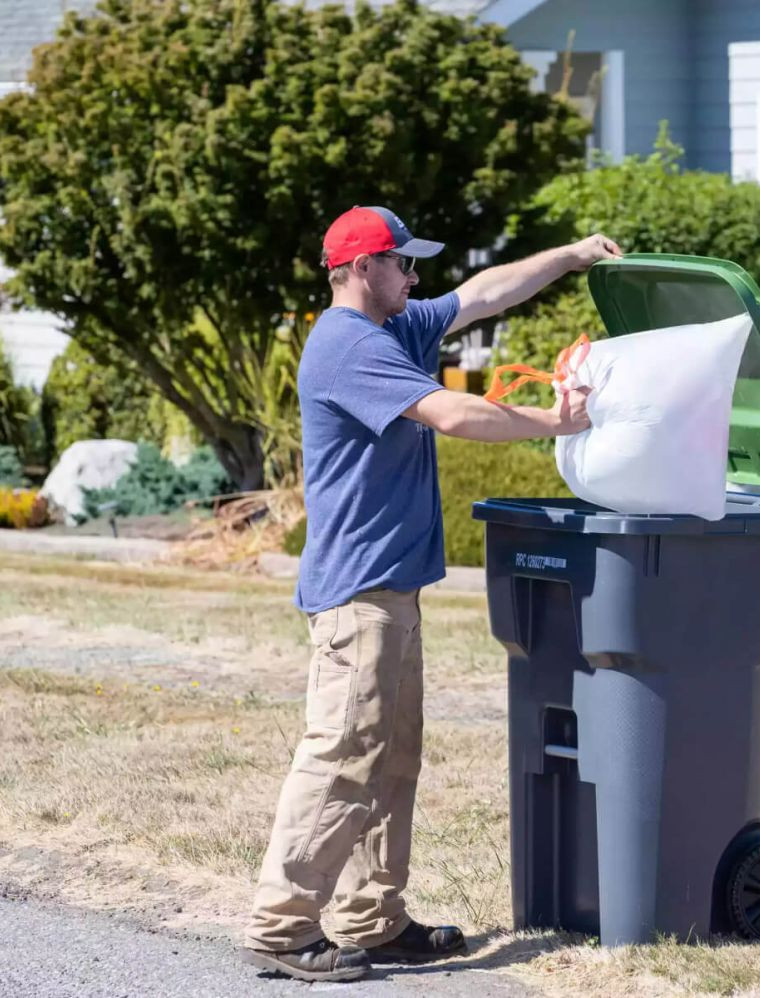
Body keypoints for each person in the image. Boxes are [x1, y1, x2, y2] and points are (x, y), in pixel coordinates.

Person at [242, 205, 622, 983]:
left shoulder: (394, 327)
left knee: (392, 759)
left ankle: (372, 919)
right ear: (359, 268)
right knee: (343, 754)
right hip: (357, 596)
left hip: (393, 593)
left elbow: (483, 295)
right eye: (402, 263)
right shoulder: (347, 345)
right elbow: (451, 412)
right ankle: (282, 927)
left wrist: (573, 255)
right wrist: (556, 422)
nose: (416, 278)